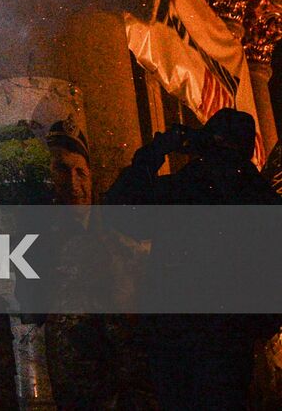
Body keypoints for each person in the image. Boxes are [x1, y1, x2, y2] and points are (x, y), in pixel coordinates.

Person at [104, 108, 281, 411]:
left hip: (178, 342)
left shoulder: (186, 190)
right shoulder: (259, 198)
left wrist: (156, 152)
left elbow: (120, 209)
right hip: (226, 345)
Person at [37, 117, 155, 411]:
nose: (74, 183)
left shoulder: (119, 241)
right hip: (75, 390)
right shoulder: (40, 245)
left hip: (119, 392)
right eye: (62, 170)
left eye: (81, 172)